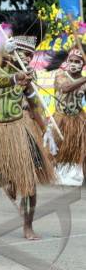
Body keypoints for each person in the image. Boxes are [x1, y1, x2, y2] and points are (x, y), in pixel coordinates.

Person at [0, 15, 55, 240]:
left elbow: (33, 104)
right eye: (22, 53)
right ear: (11, 51)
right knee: (8, 182)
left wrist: (46, 129)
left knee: (29, 182)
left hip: (19, 130)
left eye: (29, 55)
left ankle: (28, 226)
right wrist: (3, 56)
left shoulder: (27, 76)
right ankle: (9, 183)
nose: (26, 58)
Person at [45, 46, 86, 177]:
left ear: (83, 64)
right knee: (52, 150)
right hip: (60, 120)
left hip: (78, 120)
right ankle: (47, 175)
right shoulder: (60, 74)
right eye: (71, 60)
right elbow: (66, 88)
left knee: (84, 151)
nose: (73, 64)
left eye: (77, 61)